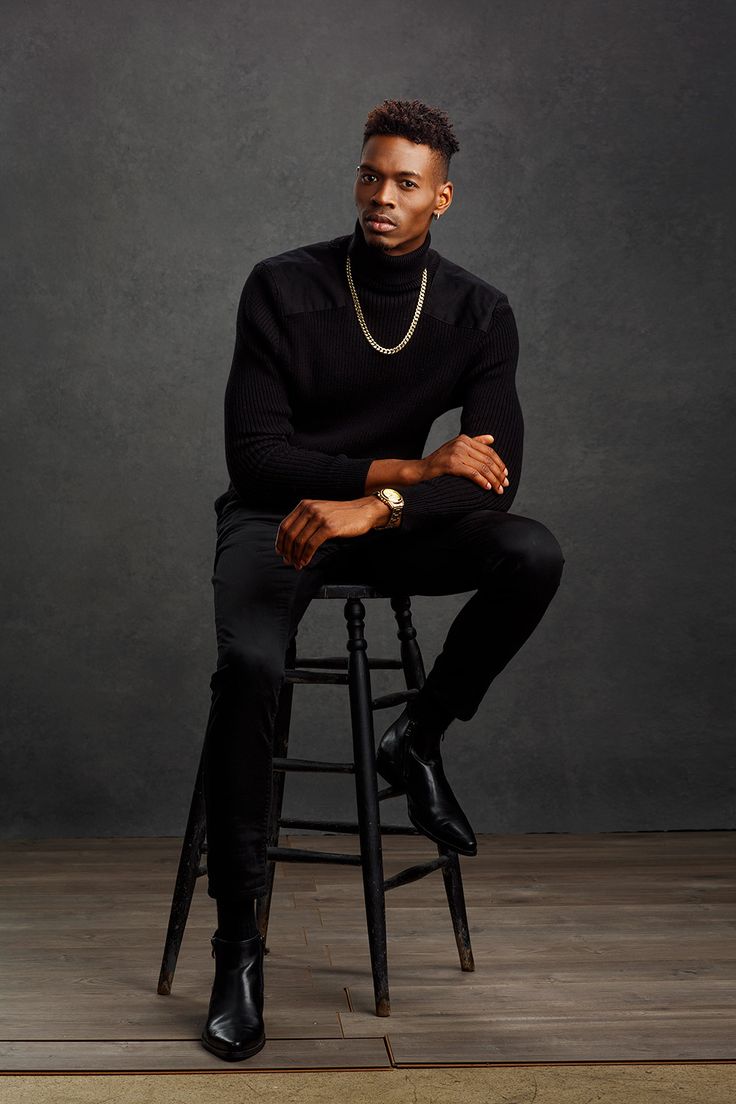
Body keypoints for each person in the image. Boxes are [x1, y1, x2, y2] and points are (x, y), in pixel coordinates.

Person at [199, 99, 565, 1061]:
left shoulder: (478, 312)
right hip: (277, 520)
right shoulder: (281, 287)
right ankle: (238, 943)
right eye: (371, 175)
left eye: (406, 183)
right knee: (247, 670)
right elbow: (256, 455)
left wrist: (379, 511)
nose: (383, 196)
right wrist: (402, 473)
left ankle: (418, 737)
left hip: (383, 528)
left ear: (440, 198)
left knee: (529, 551)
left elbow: (495, 476)